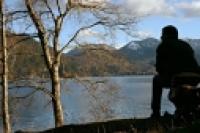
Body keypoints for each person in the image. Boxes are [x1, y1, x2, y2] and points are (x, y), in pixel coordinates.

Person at [151, 25, 199, 118]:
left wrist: (162, 71)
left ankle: (156, 113)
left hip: (177, 78)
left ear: (165, 35)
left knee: (156, 80)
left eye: (162, 35)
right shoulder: (186, 45)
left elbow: (160, 68)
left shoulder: (163, 45)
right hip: (195, 78)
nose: (161, 37)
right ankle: (186, 110)